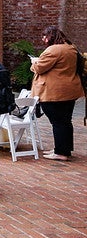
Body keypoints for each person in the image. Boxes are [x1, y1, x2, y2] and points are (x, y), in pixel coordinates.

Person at [30, 26, 84, 161]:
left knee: (57, 122)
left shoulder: (53, 50)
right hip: (70, 89)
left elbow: (39, 68)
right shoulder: (70, 47)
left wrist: (34, 62)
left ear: (51, 36)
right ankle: (63, 149)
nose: (43, 39)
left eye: (45, 36)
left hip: (54, 92)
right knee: (65, 121)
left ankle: (60, 152)